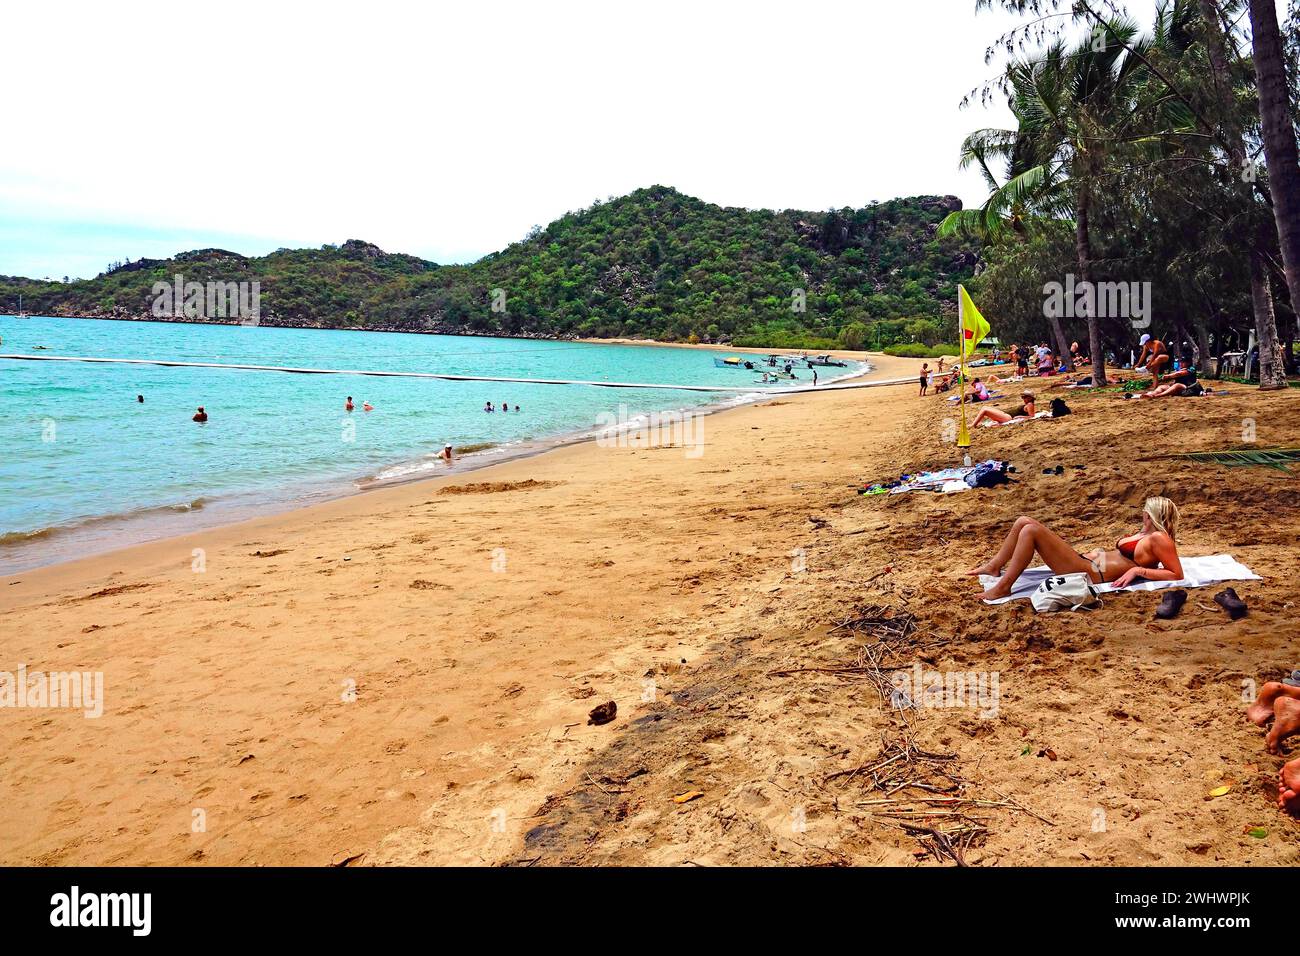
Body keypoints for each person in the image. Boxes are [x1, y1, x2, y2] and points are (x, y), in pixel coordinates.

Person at [968, 496, 1183, 602]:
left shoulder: (1159, 538)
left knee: (1030, 531)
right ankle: (994, 566)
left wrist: (1139, 571)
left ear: (1152, 514)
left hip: (1090, 572)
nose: (1142, 513)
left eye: (1145, 510)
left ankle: (1004, 587)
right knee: (1024, 521)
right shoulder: (1146, 532)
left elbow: (1176, 573)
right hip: (1089, 563)